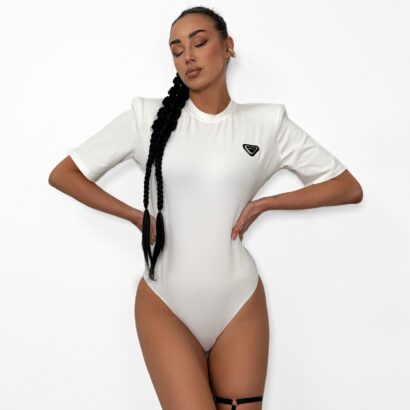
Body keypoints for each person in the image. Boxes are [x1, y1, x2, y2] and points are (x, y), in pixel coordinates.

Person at [49, 6, 363, 410]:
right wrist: (135, 216)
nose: (188, 57)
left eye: (199, 43)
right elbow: (64, 174)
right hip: (165, 302)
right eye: (177, 50)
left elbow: (347, 187)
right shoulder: (147, 118)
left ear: (227, 46)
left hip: (239, 305)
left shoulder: (267, 123)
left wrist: (268, 203)